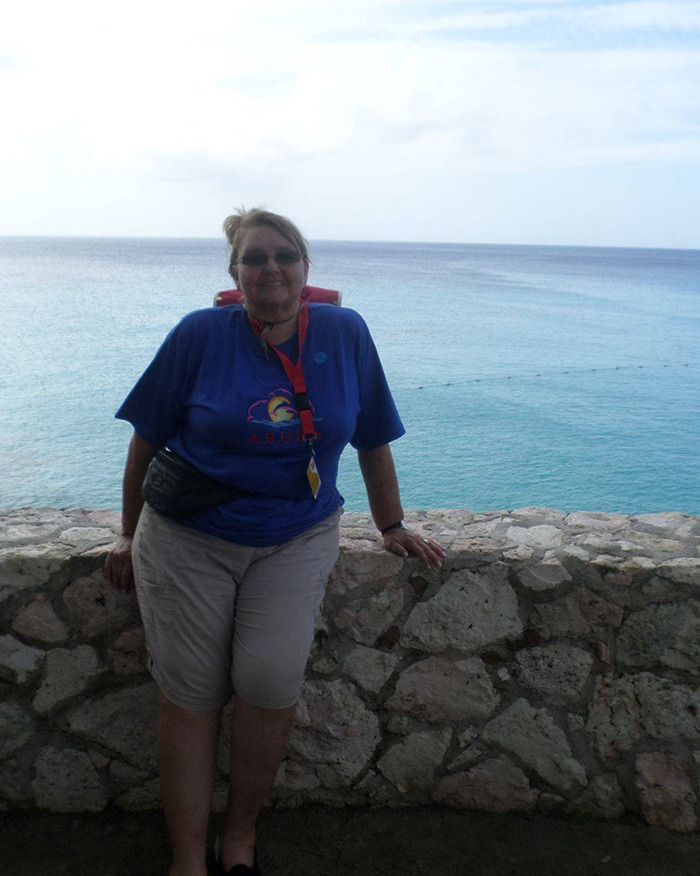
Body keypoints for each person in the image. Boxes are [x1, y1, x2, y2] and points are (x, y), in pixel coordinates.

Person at [104, 208, 445, 876]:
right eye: (254, 259)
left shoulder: (345, 332)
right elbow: (145, 439)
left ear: (306, 267)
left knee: (269, 683)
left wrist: (392, 525)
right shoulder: (200, 334)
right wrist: (125, 532)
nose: (271, 270)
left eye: (284, 256)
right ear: (234, 275)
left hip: (295, 536)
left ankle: (239, 840)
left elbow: (373, 434)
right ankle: (187, 857)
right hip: (188, 538)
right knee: (191, 694)